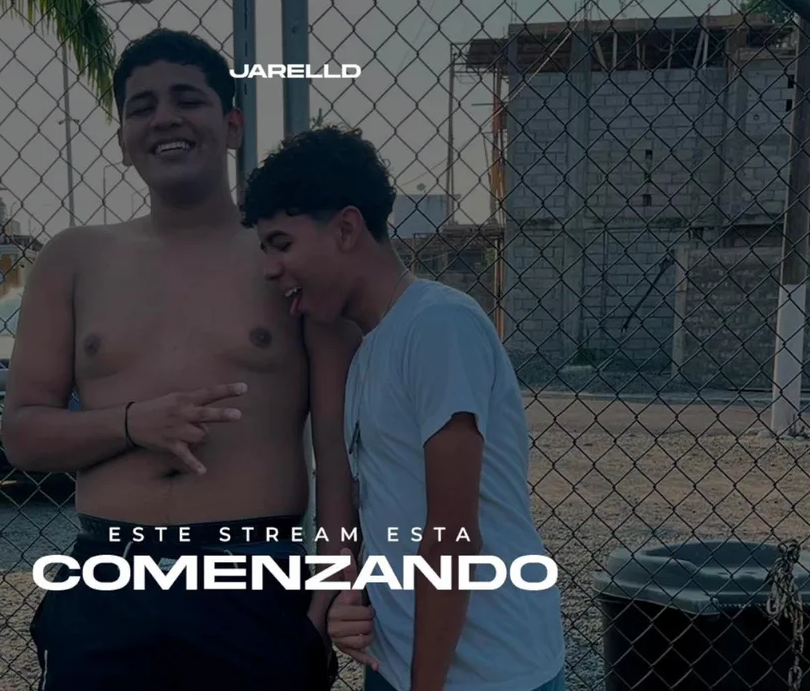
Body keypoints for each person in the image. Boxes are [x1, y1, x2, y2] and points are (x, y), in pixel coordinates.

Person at [2, 29, 360, 690]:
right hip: (108, 572)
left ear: (232, 126)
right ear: (123, 140)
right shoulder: (73, 259)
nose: (164, 118)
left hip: (253, 576)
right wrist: (131, 423)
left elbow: (339, 449)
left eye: (187, 100)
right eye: (142, 107)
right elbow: (23, 434)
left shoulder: (286, 257)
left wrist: (331, 592)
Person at [240, 126, 567, 691]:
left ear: (346, 229)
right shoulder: (371, 350)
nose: (270, 269)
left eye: (282, 244)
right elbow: (393, 514)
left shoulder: (439, 325)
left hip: (491, 673)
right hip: (403, 666)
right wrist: (353, 602)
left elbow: (452, 533)